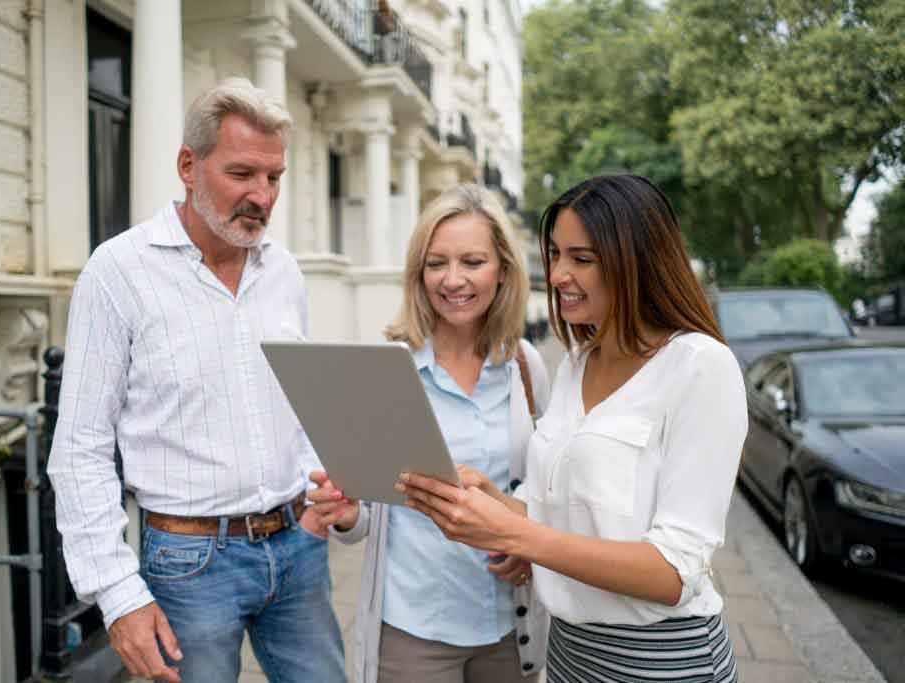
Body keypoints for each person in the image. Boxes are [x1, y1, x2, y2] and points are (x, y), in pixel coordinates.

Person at [47, 78, 345, 683]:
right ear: (189, 164)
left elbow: (298, 401)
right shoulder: (118, 273)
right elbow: (79, 448)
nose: (262, 196)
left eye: (274, 178)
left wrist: (320, 494)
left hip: (298, 545)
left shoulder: (284, 270)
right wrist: (118, 594)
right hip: (188, 563)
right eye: (242, 174)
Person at [398, 174, 748, 682]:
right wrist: (494, 499)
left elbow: (674, 571)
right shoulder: (577, 362)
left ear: (637, 260)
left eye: (581, 259)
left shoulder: (700, 366)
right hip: (566, 653)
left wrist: (514, 532)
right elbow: (554, 515)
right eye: (555, 254)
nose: (558, 274)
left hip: (659, 660)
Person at [308, 184, 551, 683]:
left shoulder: (526, 368)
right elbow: (366, 517)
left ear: (503, 268)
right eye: (436, 263)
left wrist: (528, 546)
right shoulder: (387, 370)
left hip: (509, 627)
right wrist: (348, 513)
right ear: (419, 273)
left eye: (472, 261)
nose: (453, 280)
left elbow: (546, 489)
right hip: (413, 631)